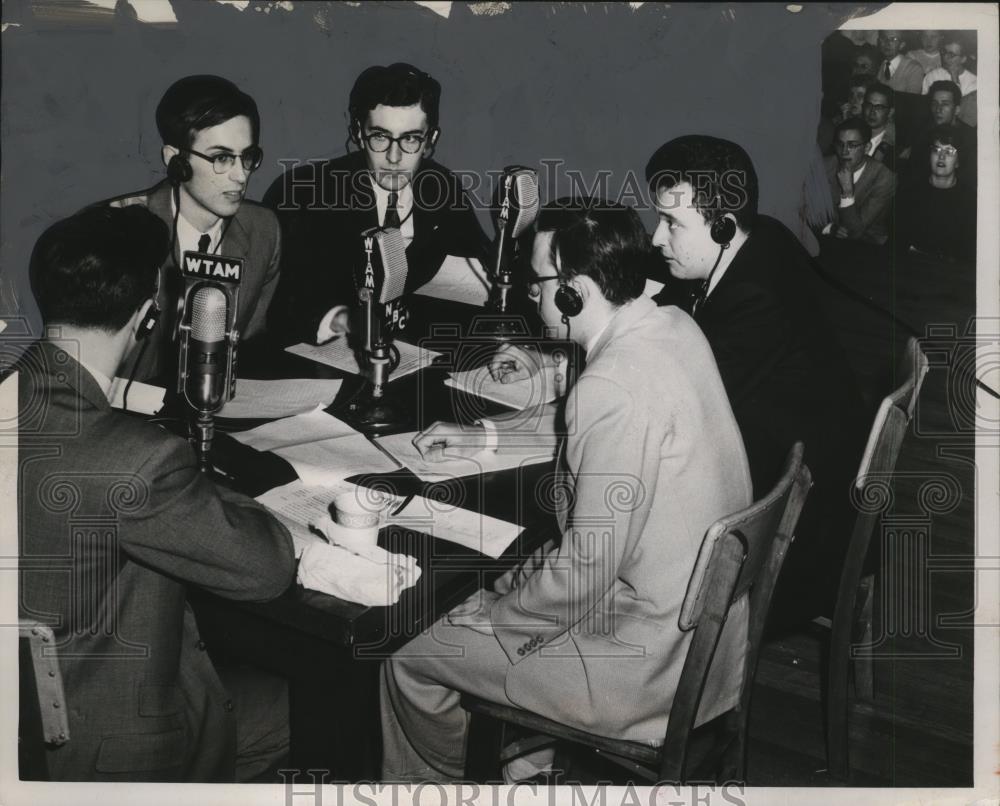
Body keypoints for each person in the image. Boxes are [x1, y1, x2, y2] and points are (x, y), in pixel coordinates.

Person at [380, 200, 753, 781]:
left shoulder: (609, 389)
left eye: (540, 282)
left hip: (642, 670)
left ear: (575, 291)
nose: (533, 294)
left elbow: (586, 568)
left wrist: (499, 619)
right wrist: (481, 437)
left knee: (408, 649)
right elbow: (584, 431)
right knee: (496, 585)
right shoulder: (672, 326)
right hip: (704, 642)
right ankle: (529, 762)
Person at [12, 205, 296, 781]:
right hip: (107, 748)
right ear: (148, 315)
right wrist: (198, 480)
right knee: (315, 699)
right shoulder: (137, 460)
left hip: (20, 721)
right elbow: (267, 566)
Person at [643, 135, 868, 626]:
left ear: (722, 227)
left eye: (671, 224)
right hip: (801, 487)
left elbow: (676, 409)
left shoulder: (755, 301)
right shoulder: (760, 236)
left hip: (793, 548)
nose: (657, 238)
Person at [264, 63, 488, 347]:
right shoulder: (303, 193)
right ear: (358, 133)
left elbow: (481, 268)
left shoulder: (441, 187)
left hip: (414, 356)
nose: (394, 157)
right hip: (322, 362)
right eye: (380, 137)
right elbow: (280, 302)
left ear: (431, 139)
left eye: (410, 139)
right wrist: (342, 319)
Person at [103, 74, 280, 383]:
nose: (240, 176)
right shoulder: (115, 231)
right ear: (176, 161)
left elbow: (249, 346)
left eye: (248, 157)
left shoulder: (263, 230)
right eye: (221, 158)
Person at [895, 128, 976, 262]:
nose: (941, 156)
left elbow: (969, 248)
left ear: (958, 162)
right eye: (936, 150)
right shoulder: (909, 192)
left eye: (949, 152)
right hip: (911, 266)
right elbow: (898, 238)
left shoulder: (970, 199)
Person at [823, 117, 897, 245]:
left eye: (852, 145)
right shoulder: (824, 166)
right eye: (840, 144)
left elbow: (855, 232)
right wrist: (829, 228)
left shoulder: (884, 178)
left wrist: (847, 192)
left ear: (867, 147)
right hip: (826, 238)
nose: (844, 151)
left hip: (866, 246)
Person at [922, 34, 977, 127]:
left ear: (963, 59)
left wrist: (955, 79)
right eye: (944, 52)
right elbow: (925, 107)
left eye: (951, 54)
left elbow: (962, 114)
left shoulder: (974, 82)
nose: (945, 57)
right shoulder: (932, 76)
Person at [862, 82, 898, 172]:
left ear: (890, 112)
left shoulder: (893, 148)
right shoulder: (852, 133)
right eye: (869, 105)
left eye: (879, 107)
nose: (872, 111)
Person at [875, 30, 924, 94]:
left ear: (902, 45)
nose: (887, 43)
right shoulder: (879, 65)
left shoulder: (914, 68)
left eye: (893, 39)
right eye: (884, 38)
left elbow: (912, 100)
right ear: (879, 41)